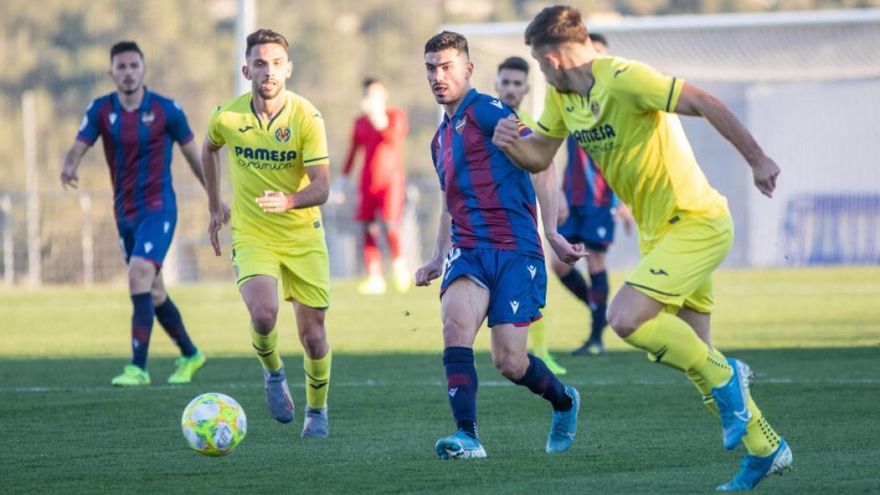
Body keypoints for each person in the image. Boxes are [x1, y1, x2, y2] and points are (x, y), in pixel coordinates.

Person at [493, 6, 790, 490]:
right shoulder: (564, 97)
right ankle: (766, 447)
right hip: (660, 236)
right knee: (699, 357)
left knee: (626, 318)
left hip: (697, 221)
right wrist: (509, 141)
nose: (538, 73)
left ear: (555, 58)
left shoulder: (626, 79)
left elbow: (706, 102)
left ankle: (733, 374)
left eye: (539, 63)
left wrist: (757, 160)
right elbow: (540, 155)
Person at [416, 31, 584, 460]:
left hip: (515, 250)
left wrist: (551, 233)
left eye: (447, 67)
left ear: (468, 70)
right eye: (432, 68)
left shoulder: (489, 111)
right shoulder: (439, 140)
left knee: (510, 362)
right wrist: (437, 256)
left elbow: (541, 163)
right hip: (470, 250)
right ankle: (467, 436)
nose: (438, 76)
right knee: (454, 328)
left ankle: (564, 401)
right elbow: (449, 204)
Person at [201, 29, 333, 438]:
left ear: (288, 69)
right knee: (262, 313)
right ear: (247, 70)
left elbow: (323, 187)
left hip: (302, 236)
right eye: (260, 63)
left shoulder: (306, 118)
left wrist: (290, 201)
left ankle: (316, 411)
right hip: (253, 234)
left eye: (277, 63)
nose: (269, 71)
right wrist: (214, 204)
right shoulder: (228, 116)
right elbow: (208, 149)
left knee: (313, 337)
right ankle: (273, 373)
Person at [61, 41, 216, 387]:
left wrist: (215, 199)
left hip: (159, 207)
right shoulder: (101, 110)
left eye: (134, 66)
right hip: (125, 212)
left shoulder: (166, 110)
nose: (128, 72)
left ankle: (138, 368)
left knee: (138, 275)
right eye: (122, 66)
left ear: (144, 70)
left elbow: (195, 157)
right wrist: (69, 166)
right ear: (111, 72)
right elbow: (77, 146)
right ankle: (191, 355)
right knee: (154, 291)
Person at [556, 32, 634, 357]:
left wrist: (626, 200)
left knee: (596, 261)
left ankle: (596, 339)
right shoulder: (569, 96)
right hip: (570, 196)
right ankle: (597, 308)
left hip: (601, 198)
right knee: (559, 264)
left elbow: (628, 151)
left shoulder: (615, 100)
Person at [494, 55, 566, 375]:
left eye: (516, 84)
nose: (510, 89)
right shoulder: (485, 120)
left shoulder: (530, 126)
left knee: (533, 289)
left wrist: (557, 200)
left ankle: (541, 352)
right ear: (496, 84)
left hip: (521, 221)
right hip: (485, 222)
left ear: (526, 88)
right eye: (505, 82)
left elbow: (545, 169)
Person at [340, 78, 410, 295]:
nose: (372, 99)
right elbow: (353, 152)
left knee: (390, 224)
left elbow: (392, 139)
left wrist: (378, 117)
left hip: (391, 181)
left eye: (376, 94)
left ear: (385, 95)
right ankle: (374, 276)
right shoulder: (360, 122)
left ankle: (400, 268)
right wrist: (343, 180)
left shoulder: (395, 117)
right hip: (367, 182)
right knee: (367, 227)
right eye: (368, 95)